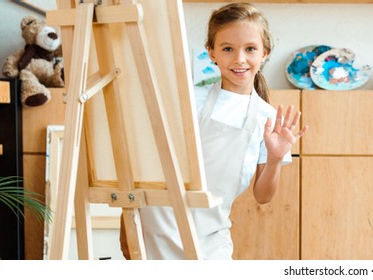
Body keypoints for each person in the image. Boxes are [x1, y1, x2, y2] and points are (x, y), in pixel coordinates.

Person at [131, 2, 308, 260]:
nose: (239, 59)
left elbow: (263, 195)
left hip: (211, 238)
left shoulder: (269, 121)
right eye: (228, 49)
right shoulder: (188, 100)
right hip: (157, 231)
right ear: (211, 53)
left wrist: (275, 158)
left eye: (250, 49)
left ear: (264, 52)